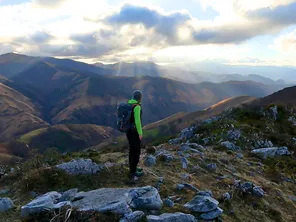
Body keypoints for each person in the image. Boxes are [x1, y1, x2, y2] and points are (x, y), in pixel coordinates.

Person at [126, 90, 143, 183]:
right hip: (134, 132)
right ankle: (133, 173)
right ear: (140, 98)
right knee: (136, 152)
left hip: (128, 131)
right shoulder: (137, 107)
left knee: (132, 151)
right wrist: (140, 133)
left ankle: (132, 169)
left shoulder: (129, 104)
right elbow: (137, 121)